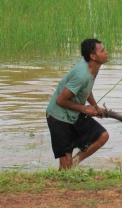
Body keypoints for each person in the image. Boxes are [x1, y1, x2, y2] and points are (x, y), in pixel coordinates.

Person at [46, 39, 109, 170]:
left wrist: (96, 108)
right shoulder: (82, 74)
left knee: (102, 136)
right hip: (58, 117)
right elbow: (60, 100)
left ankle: (72, 165)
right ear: (93, 56)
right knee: (65, 165)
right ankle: (65, 175)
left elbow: (87, 89)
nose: (106, 52)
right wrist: (85, 108)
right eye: (102, 51)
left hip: (73, 114)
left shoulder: (94, 68)